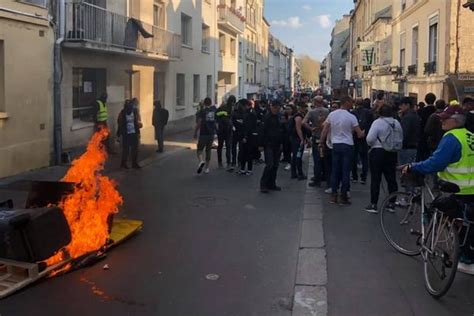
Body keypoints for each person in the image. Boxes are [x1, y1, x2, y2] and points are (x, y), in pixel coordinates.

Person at [403, 105, 474, 274]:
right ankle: (461, 248)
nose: (441, 120)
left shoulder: (451, 137)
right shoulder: (470, 136)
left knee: (432, 211)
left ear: (455, 121)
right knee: (467, 224)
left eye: (445, 118)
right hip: (470, 190)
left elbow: (436, 163)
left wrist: (413, 166)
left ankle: (458, 255)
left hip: (457, 190)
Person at [320, 97, 365, 205]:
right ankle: (343, 196)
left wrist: (321, 141)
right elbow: (359, 134)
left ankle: (333, 195)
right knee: (346, 171)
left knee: (335, 170)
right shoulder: (351, 117)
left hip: (336, 145)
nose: (352, 104)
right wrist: (363, 132)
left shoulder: (332, 115)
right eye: (351, 102)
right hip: (348, 145)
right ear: (346, 103)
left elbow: (325, 129)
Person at [365, 105, 403, 213]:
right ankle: (391, 203)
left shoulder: (377, 122)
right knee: (391, 179)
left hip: (378, 151)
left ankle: (374, 204)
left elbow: (370, 138)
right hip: (392, 153)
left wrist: (373, 144)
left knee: (376, 179)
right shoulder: (396, 123)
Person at [303, 96, 329, 187]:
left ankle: (317, 179)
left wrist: (311, 129)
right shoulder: (327, 111)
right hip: (326, 138)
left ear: (316, 102)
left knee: (317, 159)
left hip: (316, 136)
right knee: (325, 159)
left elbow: (304, 122)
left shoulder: (312, 112)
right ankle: (326, 177)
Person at [259, 101, 284, 193]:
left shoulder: (277, 117)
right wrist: (261, 144)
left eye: (278, 108)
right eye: (275, 108)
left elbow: (280, 130)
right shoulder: (267, 117)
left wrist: (281, 143)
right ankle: (263, 184)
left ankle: (271, 183)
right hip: (268, 144)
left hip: (276, 143)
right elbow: (262, 131)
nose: (277, 110)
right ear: (272, 107)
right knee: (269, 164)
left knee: (275, 165)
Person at [351, 98, 373, 184]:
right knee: (364, 157)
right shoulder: (368, 112)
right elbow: (371, 124)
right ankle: (363, 177)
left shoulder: (352, 112)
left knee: (354, 157)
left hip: (355, 136)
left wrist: (357, 131)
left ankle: (355, 176)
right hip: (365, 136)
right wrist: (365, 131)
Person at [193, 97, 217, 174]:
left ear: (204, 103)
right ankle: (207, 168)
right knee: (208, 150)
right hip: (211, 134)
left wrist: (195, 132)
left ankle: (201, 161)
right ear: (210, 103)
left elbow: (199, 123)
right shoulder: (214, 111)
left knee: (199, 150)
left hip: (203, 134)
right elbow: (216, 122)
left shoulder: (202, 111)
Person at [117, 100, 141, 169]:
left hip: (133, 133)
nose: (130, 109)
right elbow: (120, 124)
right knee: (126, 150)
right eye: (128, 108)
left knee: (135, 149)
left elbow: (136, 123)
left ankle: (134, 163)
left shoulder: (134, 112)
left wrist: (138, 133)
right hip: (126, 134)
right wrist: (118, 134)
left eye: (131, 107)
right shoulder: (122, 113)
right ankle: (123, 163)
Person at [399, 97, 421, 165]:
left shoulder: (407, 117)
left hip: (406, 147)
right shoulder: (416, 115)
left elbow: (404, 133)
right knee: (411, 168)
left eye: (402, 105)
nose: (400, 107)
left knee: (405, 169)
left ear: (407, 105)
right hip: (414, 146)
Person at [289, 102, 308, 180]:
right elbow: (298, 129)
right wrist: (301, 139)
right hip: (297, 139)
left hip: (294, 138)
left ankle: (294, 173)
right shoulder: (299, 117)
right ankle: (299, 173)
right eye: (304, 108)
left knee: (295, 156)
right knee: (298, 156)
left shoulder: (297, 116)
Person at [417, 92, 437, 161]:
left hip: (422, 138)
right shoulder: (436, 111)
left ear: (425, 100)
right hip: (434, 139)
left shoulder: (420, 111)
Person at [216, 96, 235, 169]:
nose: (233, 104)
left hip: (228, 130)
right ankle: (221, 162)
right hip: (222, 130)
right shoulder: (224, 107)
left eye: (234, 102)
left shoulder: (232, 109)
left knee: (227, 146)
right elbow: (217, 115)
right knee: (221, 146)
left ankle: (227, 163)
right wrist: (224, 114)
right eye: (232, 102)